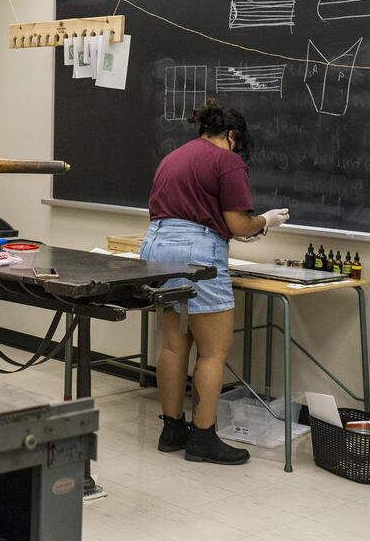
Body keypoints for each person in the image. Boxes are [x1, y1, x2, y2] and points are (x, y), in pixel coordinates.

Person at [139, 98, 289, 465]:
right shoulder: (227, 161)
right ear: (233, 136)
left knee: (174, 347)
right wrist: (266, 222)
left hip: (157, 246)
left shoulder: (173, 157)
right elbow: (238, 225)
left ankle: (171, 429)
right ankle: (203, 437)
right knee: (214, 350)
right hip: (197, 251)